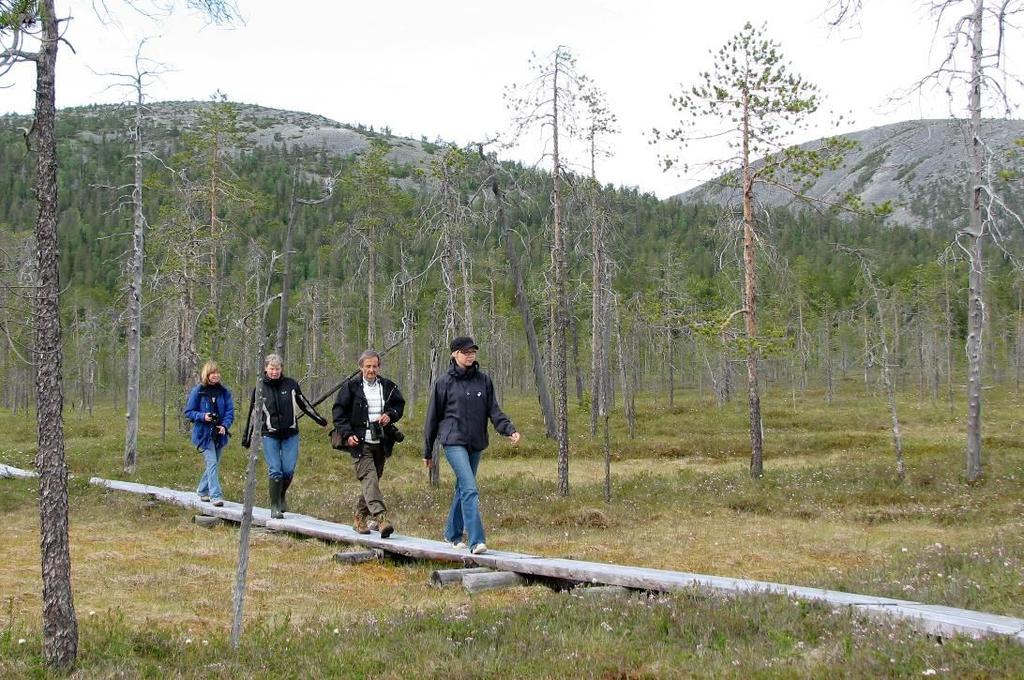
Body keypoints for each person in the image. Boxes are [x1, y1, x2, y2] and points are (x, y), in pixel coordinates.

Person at [423, 336, 521, 555]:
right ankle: (476, 541)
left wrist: (508, 429)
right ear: (454, 354)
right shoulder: (444, 382)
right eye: (465, 352)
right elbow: (432, 417)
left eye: (473, 351)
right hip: (452, 440)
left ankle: (451, 532)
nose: (470, 355)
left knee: (462, 488)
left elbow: (493, 410)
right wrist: (427, 450)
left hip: (475, 442)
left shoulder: (483, 381)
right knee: (469, 487)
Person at [241, 353, 327, 519]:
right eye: (272, 369)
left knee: (287, 470)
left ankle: (281, 495)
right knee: (275, 470)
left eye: (277, 368)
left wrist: (321, 421)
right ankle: (274, 507)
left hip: (290, 433)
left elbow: (305, 404)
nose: (274, 372)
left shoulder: (291, 385)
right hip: (269, 434)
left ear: (282, 369)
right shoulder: (259, 388)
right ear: (266, 369)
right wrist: (247, 437)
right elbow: (253, 414)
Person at [332, 349, 406, 538]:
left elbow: (399, 406)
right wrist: (347, 434)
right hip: (359, 442)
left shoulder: (388, 387)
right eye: (368, 366)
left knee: (372, 482)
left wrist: (389, 415)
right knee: (370, 479)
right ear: (360, 367)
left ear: (379, 367)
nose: (371, 370)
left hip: (380, 442)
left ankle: (359, 517)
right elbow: (338, 414)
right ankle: (382, 519)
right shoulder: (351, 387)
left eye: (374, 366)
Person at [184, 361, 235, 507]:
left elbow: (230, 412)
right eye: (212, 373)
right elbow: (189, 412)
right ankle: (216, 496)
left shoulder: (224, 392)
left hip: (219, 434)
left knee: (214, 464)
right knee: (212, 462)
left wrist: (225, 425)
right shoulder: (198, 391)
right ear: (207, 374)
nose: (216, 375)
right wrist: (203, 416)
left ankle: (201, 490)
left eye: (217, 373)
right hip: (204, 435)